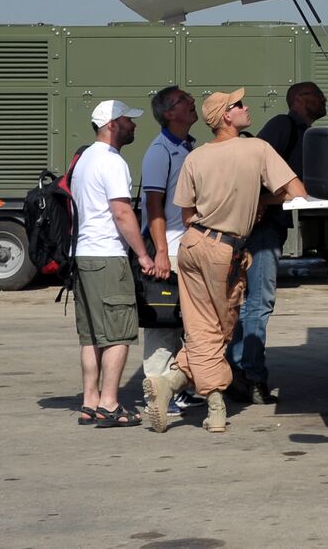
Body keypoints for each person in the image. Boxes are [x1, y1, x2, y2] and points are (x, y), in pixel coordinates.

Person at [143, 87, 307, 433]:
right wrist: (260, 200)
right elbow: (297, 192)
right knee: (219, 331)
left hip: (193, 245)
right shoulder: (257, 148)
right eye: (239, 105)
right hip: (225, 250)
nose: (246, 107)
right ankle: (215, 406)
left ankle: (170, 383)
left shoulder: (196, 156)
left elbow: (186, 213)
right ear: (226, 117)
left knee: (201, 328)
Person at [229, 81, 326, 403]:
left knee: (253, 303)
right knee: (258, 302)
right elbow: (253, 167)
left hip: (270, 227)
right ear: (299, 100)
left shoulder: (302, 131)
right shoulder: (283, 125)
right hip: (262, 230)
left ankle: (241, 371)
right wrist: (263, 202)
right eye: (317, 94)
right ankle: (250, 377)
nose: (323, 99)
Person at [71, 99, 157, 429]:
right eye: (127, 121)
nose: (133, 125)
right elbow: (122, 213)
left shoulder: (83, 158)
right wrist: (143, 255)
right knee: (119, 333)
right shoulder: (112, 161)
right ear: (111, 125)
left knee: (92, 334)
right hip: (107, 256)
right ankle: (109, 404)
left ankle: (89, 401)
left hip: (83, 255)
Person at [136, 86, 204, 426]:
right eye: (184, 101)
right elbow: (153, 204)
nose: (193, 103)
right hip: (169, 248)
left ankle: (176, 387)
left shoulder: (187, 146)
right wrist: (161, 252)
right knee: (162, 322)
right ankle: (156, 386)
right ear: (168, 113)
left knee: (183, 322)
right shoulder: (160, 151)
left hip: (185, 247)